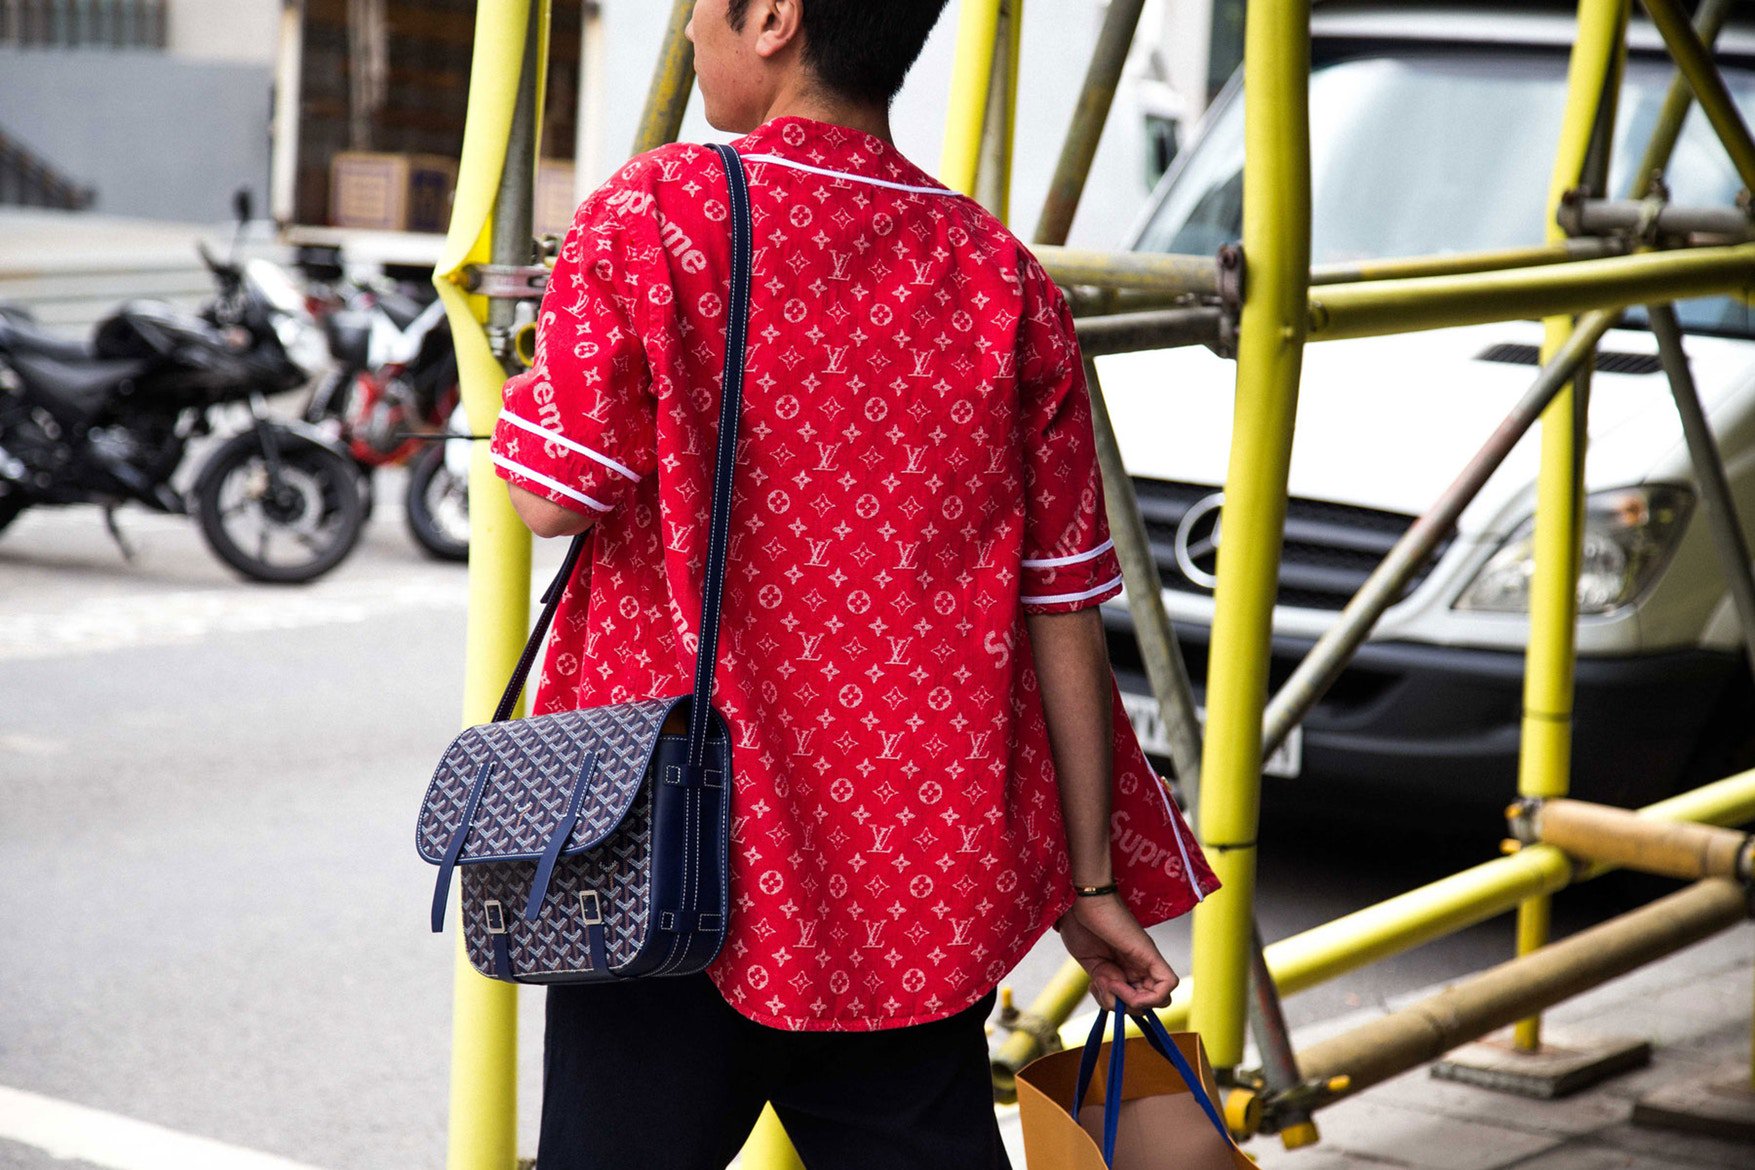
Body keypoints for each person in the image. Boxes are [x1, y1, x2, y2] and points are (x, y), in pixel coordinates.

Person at [488, 0, 1218, 1165]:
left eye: (696, 8)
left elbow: (552, 494)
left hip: (676, 863)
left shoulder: (655, 212)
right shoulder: (1003, 278)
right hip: (920, 884)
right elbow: (1062, 617)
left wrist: (525, 382)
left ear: (773, 16)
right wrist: (1089, 884)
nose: (684, 33)